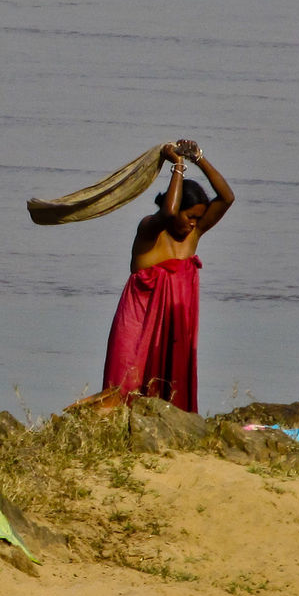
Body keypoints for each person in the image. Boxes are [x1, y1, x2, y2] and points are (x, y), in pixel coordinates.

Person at [101, 139, 235, 412]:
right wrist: (178, 166)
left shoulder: (194, 235)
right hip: (138, 324)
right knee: (126, 377)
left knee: (172, 386)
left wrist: (199, 158)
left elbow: (227, 198)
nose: (193, 223)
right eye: (190, 216)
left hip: (175, 327)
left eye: (198, 218)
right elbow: (169, 212)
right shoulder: (150, 229)